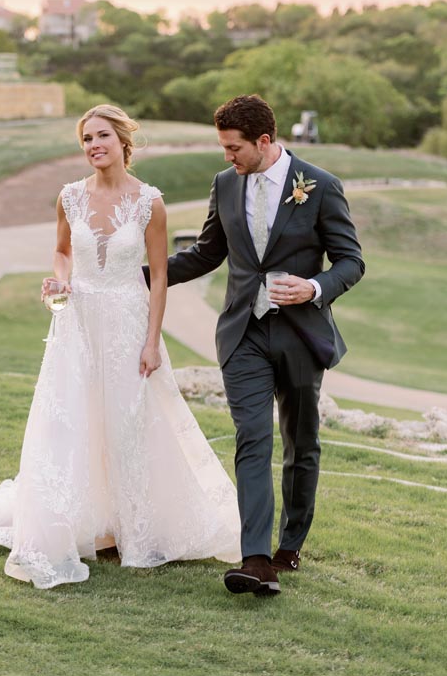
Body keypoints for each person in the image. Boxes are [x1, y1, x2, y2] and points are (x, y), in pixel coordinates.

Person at [0, 105, 241, 587]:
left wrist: (152, 341)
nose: (93, 145)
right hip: (80, 324)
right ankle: (89, 525)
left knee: (130, 425)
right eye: (86, 139)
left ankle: (133, 529)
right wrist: (60, 280)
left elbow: (157, 279)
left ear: (122, 141)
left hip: (130, 323)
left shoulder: (149, 202)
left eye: (102, 136)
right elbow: (62, 252)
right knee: (74, 421)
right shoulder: (69, 197)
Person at [147, 95, 364, 597]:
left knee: (300, 442)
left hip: (301, 334)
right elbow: (205, 254)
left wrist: (314, 288)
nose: (227, 157)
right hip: (242, 333)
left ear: (263, 142)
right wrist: (140, 277)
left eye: (233, 147)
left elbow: (351, 262)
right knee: (252, 438)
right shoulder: (225, 185)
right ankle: (256, 559)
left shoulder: (322, 187)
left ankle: (290, 543)